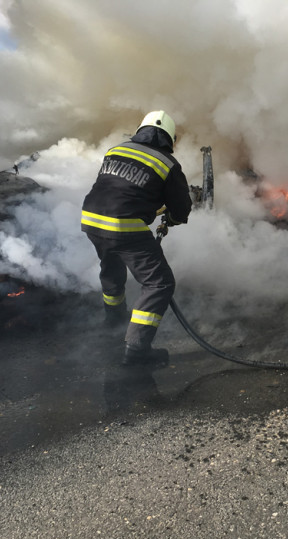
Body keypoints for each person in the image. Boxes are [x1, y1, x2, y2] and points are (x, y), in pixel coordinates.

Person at [82, 110, 192, 366]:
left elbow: (122, 190)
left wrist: (150, 206)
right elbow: (181, 209)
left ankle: (114, 321)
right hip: (124, 227)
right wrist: (172, 217)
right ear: (170, 137)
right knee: (159, 283)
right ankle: (137, 350)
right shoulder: (167, 163)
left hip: (91, 220)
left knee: (112, 270)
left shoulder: (116, 150)